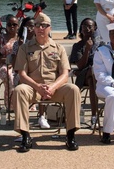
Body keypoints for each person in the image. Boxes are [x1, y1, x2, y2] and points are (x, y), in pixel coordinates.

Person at [13, 13, 81, 152]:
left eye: (44, 26)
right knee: (19, 90)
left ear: (50, 28)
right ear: (34, 28)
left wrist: (52, 87)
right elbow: (22, 74)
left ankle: (70, 135)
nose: (40, 28)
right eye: (37, 25)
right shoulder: (25, 48)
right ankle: (25, 135)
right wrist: (38, 87)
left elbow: (64, 74)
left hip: (54, 88)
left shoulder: (58, 48)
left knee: (73, 89)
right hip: (33, 88)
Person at [69, 18, 100, 130]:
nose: (87, 28)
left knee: (93, 80)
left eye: (89, 26)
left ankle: (94, 116)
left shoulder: (101, 45)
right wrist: (87, 49)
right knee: (91, 73)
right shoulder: (78, 46)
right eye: (84, 26)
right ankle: (94, 116)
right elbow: (81, 66)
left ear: (95, 28)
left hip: (98, 77)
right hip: (83, 75)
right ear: (81, 29)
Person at [0, 14, 22, 111]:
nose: (12, 27)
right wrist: (7, 60)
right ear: (6, 26)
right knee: (10, 76)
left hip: (19, 65)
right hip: (5, 65)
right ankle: (11, 104)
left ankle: (24, 103)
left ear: (18, 26)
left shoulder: (21, 39)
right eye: (9, 24)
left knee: (24, 75)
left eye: (14, 24)